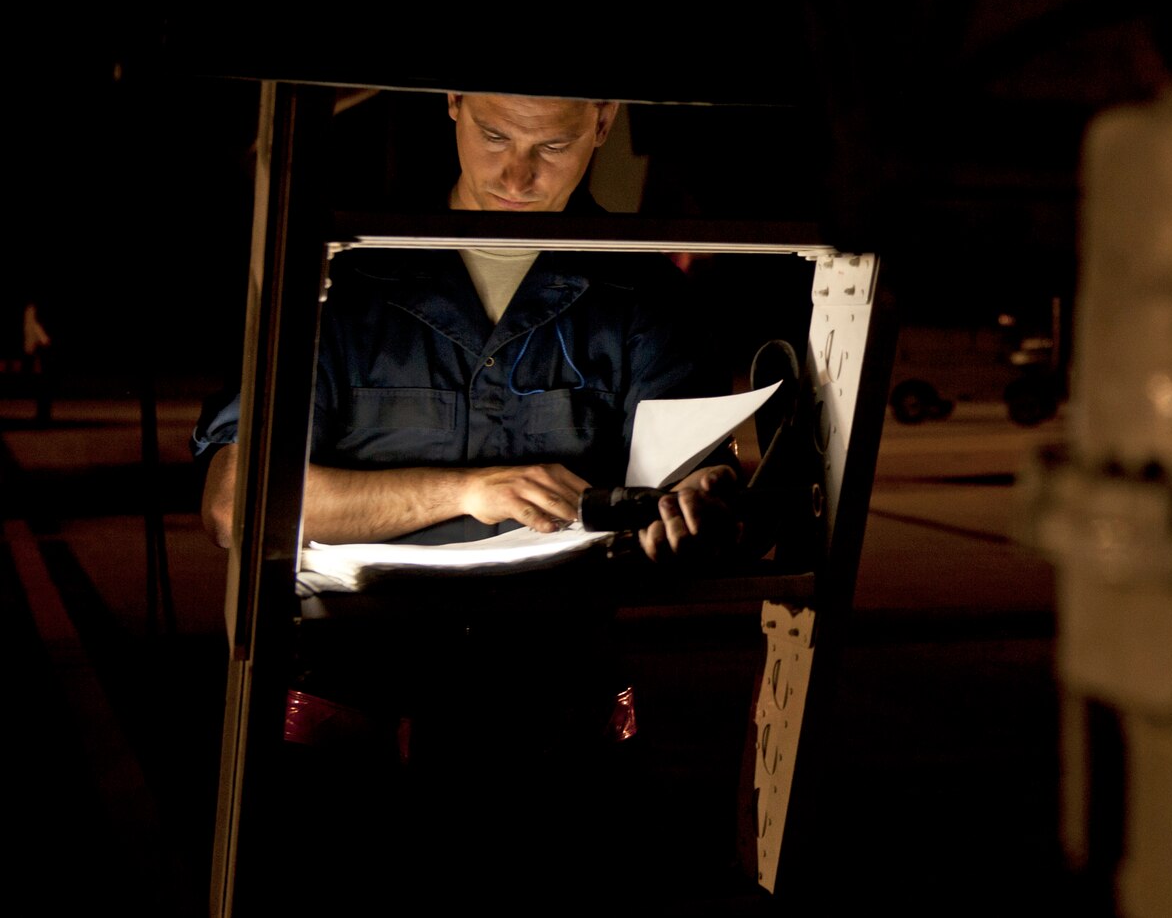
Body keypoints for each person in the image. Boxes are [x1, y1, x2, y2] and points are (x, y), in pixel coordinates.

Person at [193, 91, 785, 911]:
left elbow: (696, 471)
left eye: (552, 145)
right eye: (495, 134)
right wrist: (465, 489)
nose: (516, 172)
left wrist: (701, 499)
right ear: (453, 103)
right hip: (354, 745)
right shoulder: (346, 275)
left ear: (605, 123)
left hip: (561, 742)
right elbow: (233, 502)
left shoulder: (641, 296)